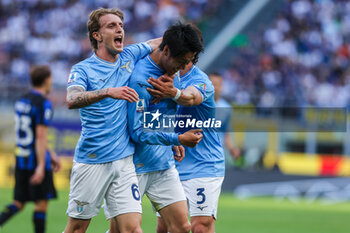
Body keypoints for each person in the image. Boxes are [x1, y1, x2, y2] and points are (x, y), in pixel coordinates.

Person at [63, 8, 201, 233]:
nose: (119, 29)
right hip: (93, 159)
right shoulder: (83, 70)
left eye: (121, 26)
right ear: (96, 35)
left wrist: (187, 36)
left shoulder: (129, 55)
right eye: (111, 26)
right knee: (77, 228)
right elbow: (71, 99)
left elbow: (164, 42)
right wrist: (108, 91)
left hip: (124, 160)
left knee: (133, 230)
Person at [106, 23, 204, 233]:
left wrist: (170, 139)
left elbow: (163, 113)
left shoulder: (171, 70)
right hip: (133, 167)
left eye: (188, 62)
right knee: (122, 231)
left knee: (182, 227)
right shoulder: (142, 81)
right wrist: (177, 139)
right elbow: (138, 131)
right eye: (181, 61)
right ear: (166, 51)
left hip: (162, 165)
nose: (183, 67)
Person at [147, 27, 225, 233]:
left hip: (204, 165)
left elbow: (190, 97)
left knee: (200, 227)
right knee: (164, 227)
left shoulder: (201, 81)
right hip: (171, 164)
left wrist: (173, 93)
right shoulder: (160, 75)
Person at [0, 65, 61, 233]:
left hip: (21, 158)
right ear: (46, 80)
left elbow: (34, 134)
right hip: (36, 161)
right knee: (41, 205)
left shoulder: (21, 100)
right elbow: (40, 136)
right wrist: (42, 165)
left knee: (18, 203)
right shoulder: (43, 104)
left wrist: (52, 154)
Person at [209, 72, 240, 162]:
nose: (214, 87)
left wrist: (232, 149)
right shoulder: (198, 105)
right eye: (211, 84)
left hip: (216, 154)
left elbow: (226, 134)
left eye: (216, 84)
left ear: (221, 87)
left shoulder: (226, 108)